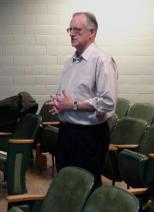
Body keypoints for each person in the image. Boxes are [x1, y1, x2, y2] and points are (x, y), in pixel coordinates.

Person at [48, 12, 118, 189]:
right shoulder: (70, 62)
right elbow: (68, 96)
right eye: (70, 29)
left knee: (86, 186)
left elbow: (108, 102)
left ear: (92, 32)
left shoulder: (102, 60)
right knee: (66, 184)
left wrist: (72, 105)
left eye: (77, 30)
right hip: (67, 132)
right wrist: (60, 105)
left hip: (89, 136)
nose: (71, 34)